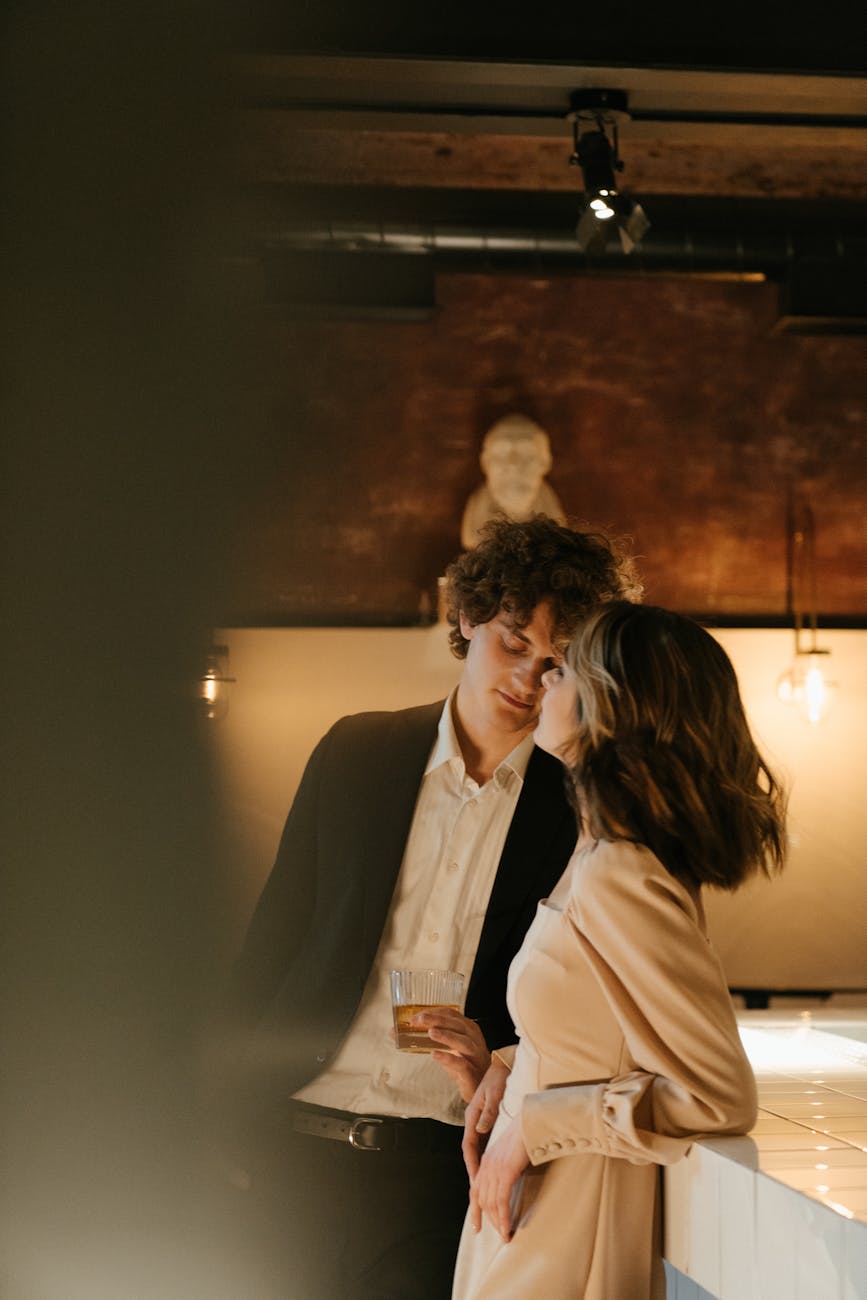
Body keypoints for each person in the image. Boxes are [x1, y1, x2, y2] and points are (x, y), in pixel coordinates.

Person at [220, 517, 641, 1300]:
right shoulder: (356, 751)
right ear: (467, 618)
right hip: (286, 1146)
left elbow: (584, 1006)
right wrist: (216, 1126)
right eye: (514, 644)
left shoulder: (584, 806)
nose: (527, 679)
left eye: (556, 664)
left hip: (441, 1170)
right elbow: (273, 946)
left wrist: (502, 1060)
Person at [448, 602, 787, 1300]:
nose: (543, 682)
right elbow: (603, 1028)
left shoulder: (620, 873)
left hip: (570, 1226)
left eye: (564, 670)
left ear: (611, 706)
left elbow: (717, 1096)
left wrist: (536, 1125)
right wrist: (508, 1071)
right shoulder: (595, 853)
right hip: (525, 1207)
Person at [460, 415, 567, 549]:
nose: (513, 465)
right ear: (485, 463)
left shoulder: (554, 520)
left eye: (526, 455)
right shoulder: (475, 521)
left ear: (545, 462)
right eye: (501, 455)